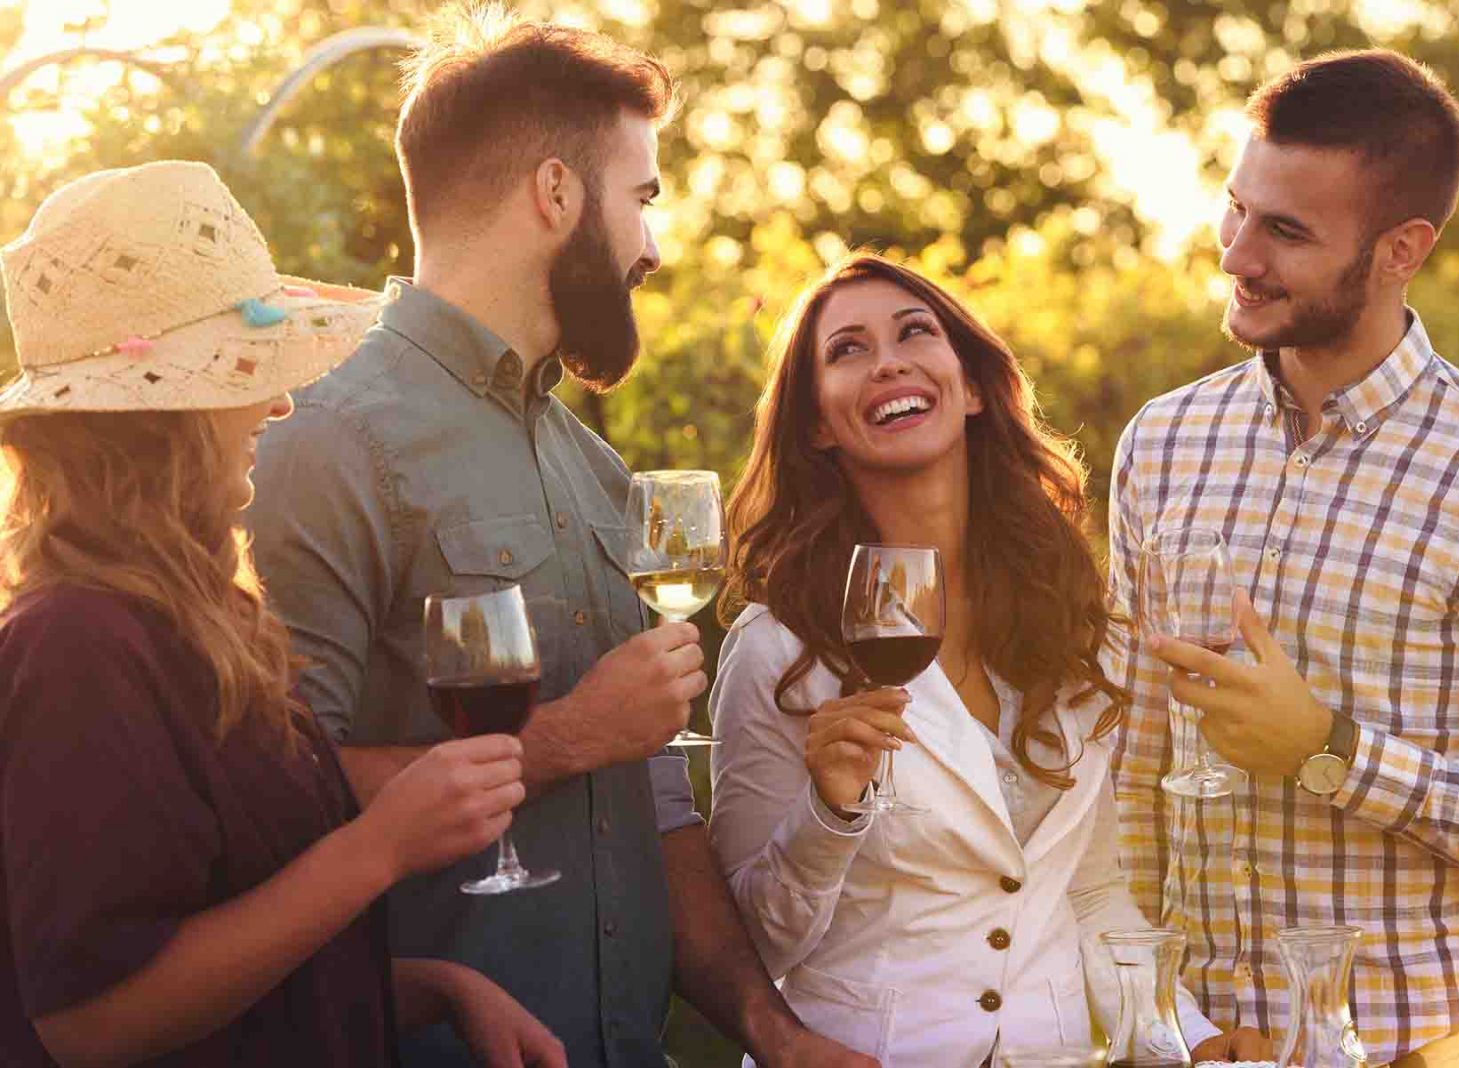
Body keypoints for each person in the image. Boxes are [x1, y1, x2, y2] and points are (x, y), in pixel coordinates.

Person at [243, 7, 875, 1067]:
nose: (655, 248)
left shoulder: (598, 475)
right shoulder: (324, 436)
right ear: (555, 193)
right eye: (642, 199)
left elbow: (657, 805)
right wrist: (566, 737)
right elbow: (271, 795)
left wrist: (773, 1032)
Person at [0, 160, 565, 1067]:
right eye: (241, 371)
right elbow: (90, 1023)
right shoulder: (74, 644)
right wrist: (378, 850)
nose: (280, 399)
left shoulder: (204, 617)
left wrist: (436, 989)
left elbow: (249, 951)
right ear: (155, 419)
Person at [1109, 49, 1459, 1068]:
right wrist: (1168, 1024)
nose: (1237, 255)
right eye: (1236, 210)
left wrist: (1328, 751)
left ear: (1399, 250)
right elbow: (1133, 763)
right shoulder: (1161, 440)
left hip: (1416, 1048)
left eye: (1285, 232)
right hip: (1199, 1045)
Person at [708, 252, 1227, 1066]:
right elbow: (753, 948)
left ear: (975, 387)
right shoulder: (779, 651)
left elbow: (1088, 895)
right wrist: (828, 812)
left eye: (915, 332)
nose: (888, 360)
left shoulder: (1075, 625)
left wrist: (1191, 1040)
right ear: (815, 422)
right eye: (847, 350)